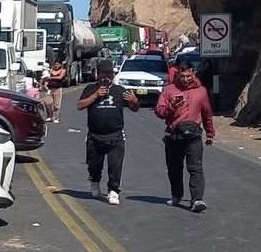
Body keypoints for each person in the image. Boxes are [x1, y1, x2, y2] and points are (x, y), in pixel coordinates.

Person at [154, 55, 215, 211]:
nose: (186, 79)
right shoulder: (168, 90)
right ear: (177, 74)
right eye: (182, 76)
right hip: (174, 135)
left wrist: (210, 133)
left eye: (189, 76)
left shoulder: (201, 91)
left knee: (195, 167)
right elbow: (159, 111)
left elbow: (207, 113)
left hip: (193, 137)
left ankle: (197, 200)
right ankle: (176, 195)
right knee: (174, 167)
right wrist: (171, 107)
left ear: (193, 73)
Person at [75, 58, 139, 205]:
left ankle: (113, 190)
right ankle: (95, 181)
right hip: (95, 136)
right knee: (94, 165)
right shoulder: (90, 89)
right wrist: (96, 95)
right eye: (104, 74)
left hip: (115, 135)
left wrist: (134, 101)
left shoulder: (120, 90)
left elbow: (134, 108)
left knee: (115, 165)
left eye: (109, 74)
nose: (107, 77)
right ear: (98, 74)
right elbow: (79, 105)